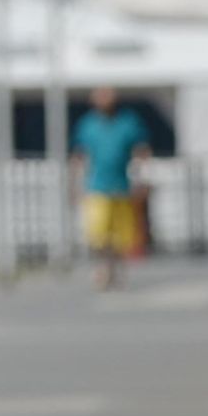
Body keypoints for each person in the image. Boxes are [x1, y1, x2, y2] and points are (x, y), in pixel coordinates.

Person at [72, 87, 151, 290]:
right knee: (98, 234)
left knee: (120, 236)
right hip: (96, 187)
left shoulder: (127, 122)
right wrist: (74, 184)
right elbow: (79, 155)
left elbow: (141, 152)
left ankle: (116, 269)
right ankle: (103, 268)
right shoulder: (88, 125)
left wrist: (142, 179)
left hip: (122, 187)